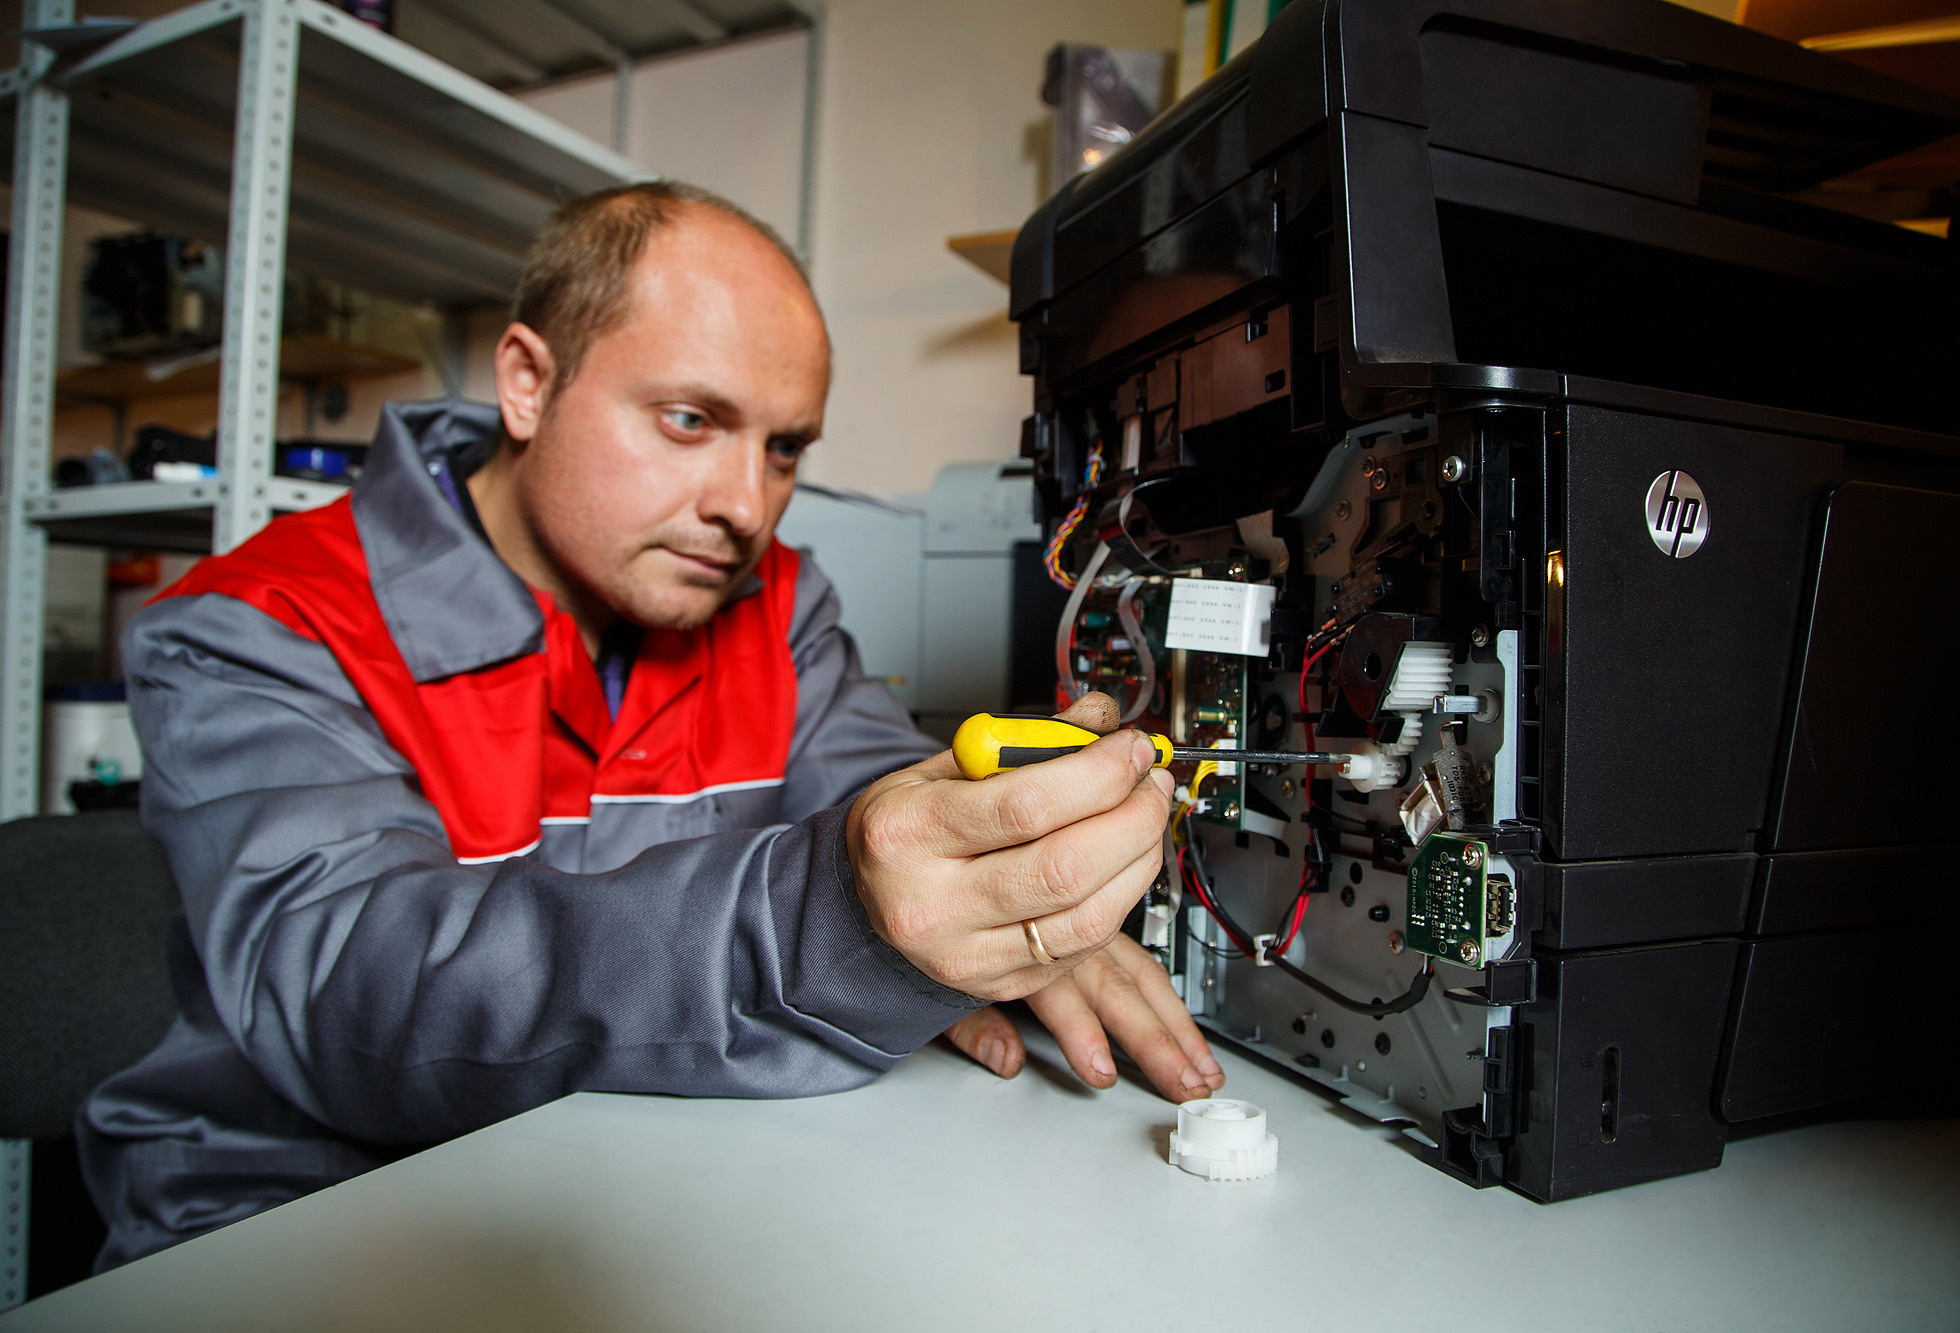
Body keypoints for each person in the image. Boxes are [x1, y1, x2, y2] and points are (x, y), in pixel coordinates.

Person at [79, 182, 1223, 1268]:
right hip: (294, 1226)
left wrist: (988, 885)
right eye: (689, 419)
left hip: (618, 1188)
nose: (745, 505)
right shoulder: (260, 627)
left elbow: (880, 788)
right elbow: (353, 998)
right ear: (527, 383)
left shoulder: (774, 608)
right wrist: (831, 921)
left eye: (783, 448)